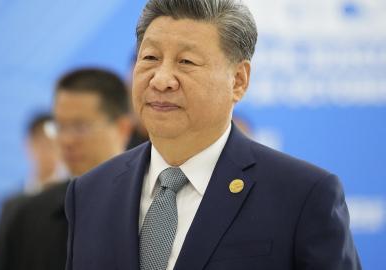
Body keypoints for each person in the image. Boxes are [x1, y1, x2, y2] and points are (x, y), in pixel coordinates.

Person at [65, 1, 361, 270]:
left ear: (239, 81)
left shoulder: (303, 195)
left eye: (186, 62)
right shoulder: (89, 192)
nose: (162, 79)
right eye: (151, 57)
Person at [0, 68, 132, 270]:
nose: (66, 140)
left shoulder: (146, 210)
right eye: (59, 126)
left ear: (122, 128)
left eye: (80, 127)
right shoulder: (27, 217)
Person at [0, 113, 62, 270]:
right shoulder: (10, 206)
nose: (50, 151)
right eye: (43, 144)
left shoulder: (72, 201)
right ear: (29, 145)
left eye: (54, 144)